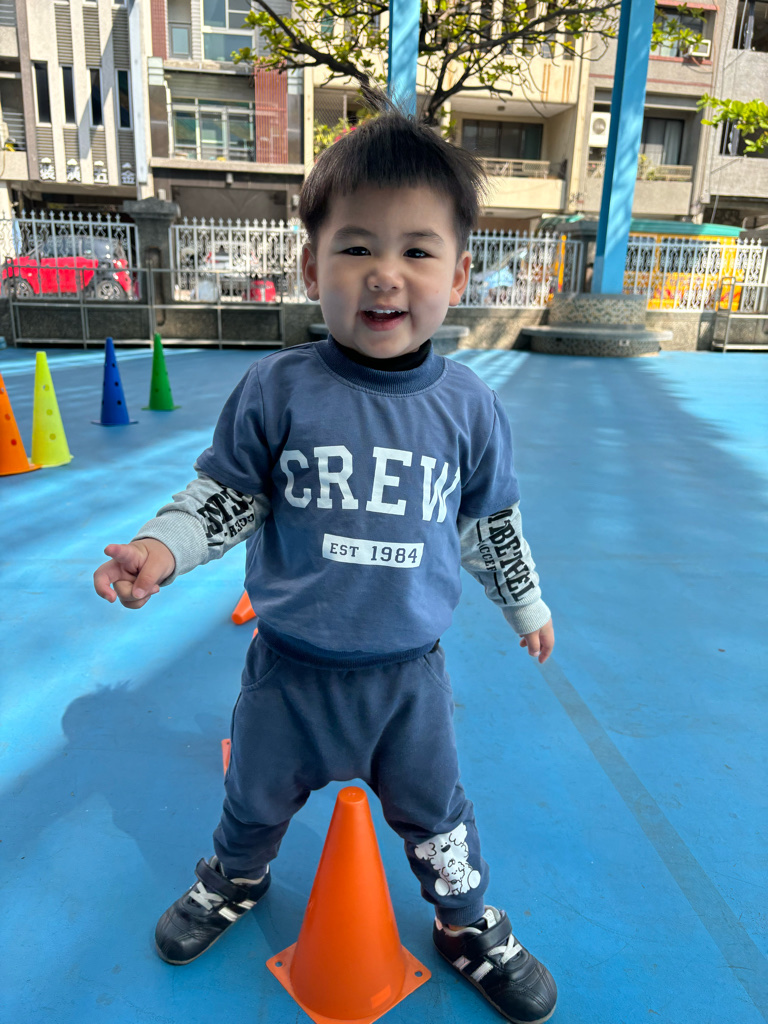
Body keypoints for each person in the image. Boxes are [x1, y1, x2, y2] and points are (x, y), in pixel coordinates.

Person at [93, 105, 557, 1024]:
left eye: (418, 250)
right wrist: (160, 549)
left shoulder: (469, 408)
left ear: (459, 274)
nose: (385, 273)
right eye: (355, 248)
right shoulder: (278, 389)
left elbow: (489, 523)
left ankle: (464, 923)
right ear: (312, 268)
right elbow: (226, 497)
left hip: (407, 681)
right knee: (252, 799)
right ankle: (235, 878)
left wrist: (526, 603)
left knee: (439, 816)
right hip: (290, 671)